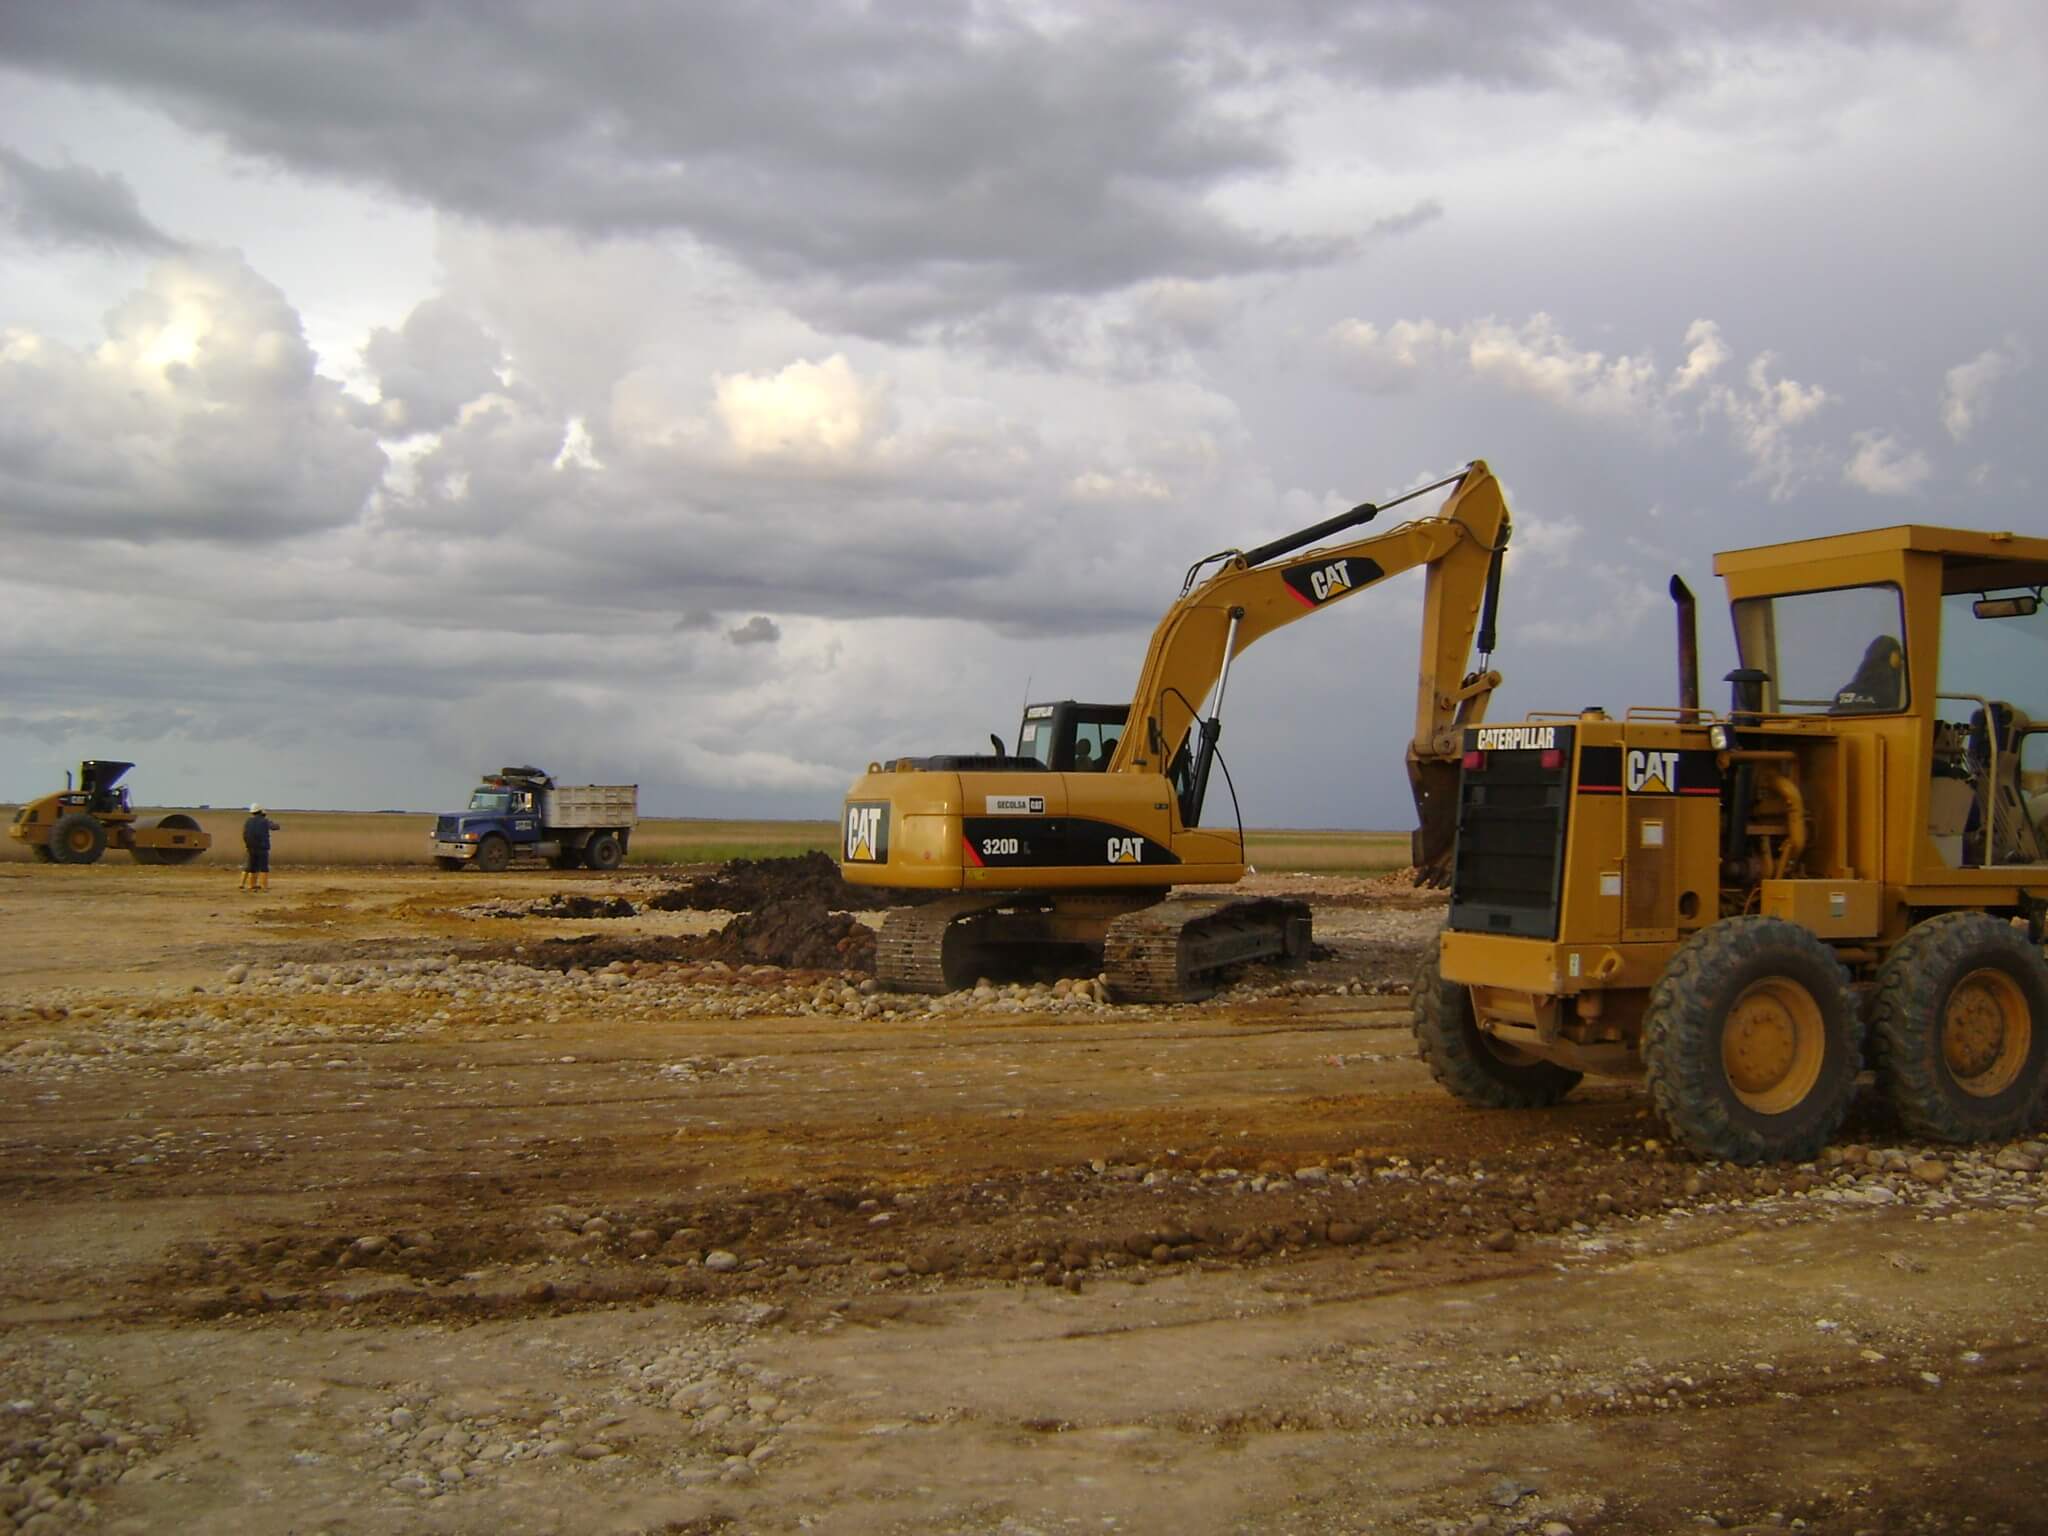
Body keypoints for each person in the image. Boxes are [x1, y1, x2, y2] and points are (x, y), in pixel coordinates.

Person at [240, 803, 279, 891]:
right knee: (263, 867)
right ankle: (264, 886)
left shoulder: (248, 821)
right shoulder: (265, 821)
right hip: (262, 847)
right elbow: (275, 827)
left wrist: (247, 845)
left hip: (250, 847)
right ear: (261, 811)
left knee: (252, 867)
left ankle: (251, 885)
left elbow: (244, 834)